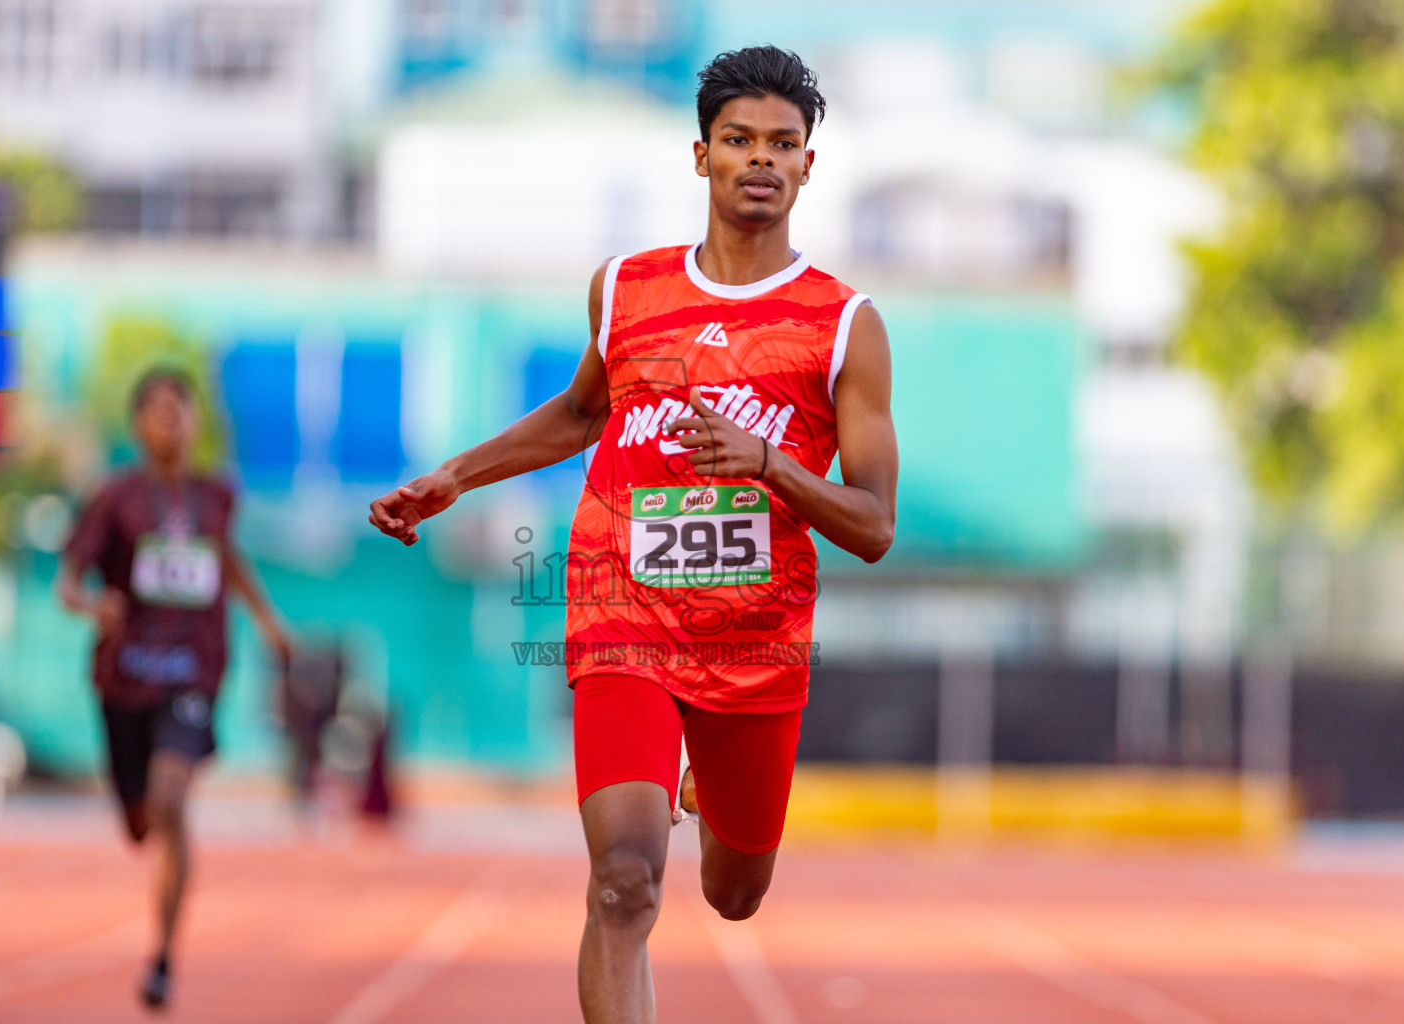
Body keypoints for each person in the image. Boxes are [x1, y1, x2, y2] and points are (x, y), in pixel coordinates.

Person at [369, 45, 897, 1023]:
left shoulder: (843, 326)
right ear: (702, 155)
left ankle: (700, 784)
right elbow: (579, 415)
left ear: (809, 166)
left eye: (784, 144)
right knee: (623, 880)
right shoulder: (626, 290)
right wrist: (453, 476)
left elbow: (873, 525)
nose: (761, 161)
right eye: (739, 140)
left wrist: (772, 463)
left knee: (735, 893)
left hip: (753, 643)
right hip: (625, 616)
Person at [59, 367, 289, 1010]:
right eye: (154, 408)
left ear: (193, 421)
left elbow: (225, 557)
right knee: (139, 823)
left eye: (178, 407)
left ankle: (161, 957)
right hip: (124, 675)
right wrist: (91, 606)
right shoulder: (115, 498)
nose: (168, 419)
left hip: (194, 668)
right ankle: (144, 820)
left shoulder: (217, 495)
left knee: (170, 798)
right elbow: (69, 578)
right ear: (137, 425)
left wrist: (268, 621)